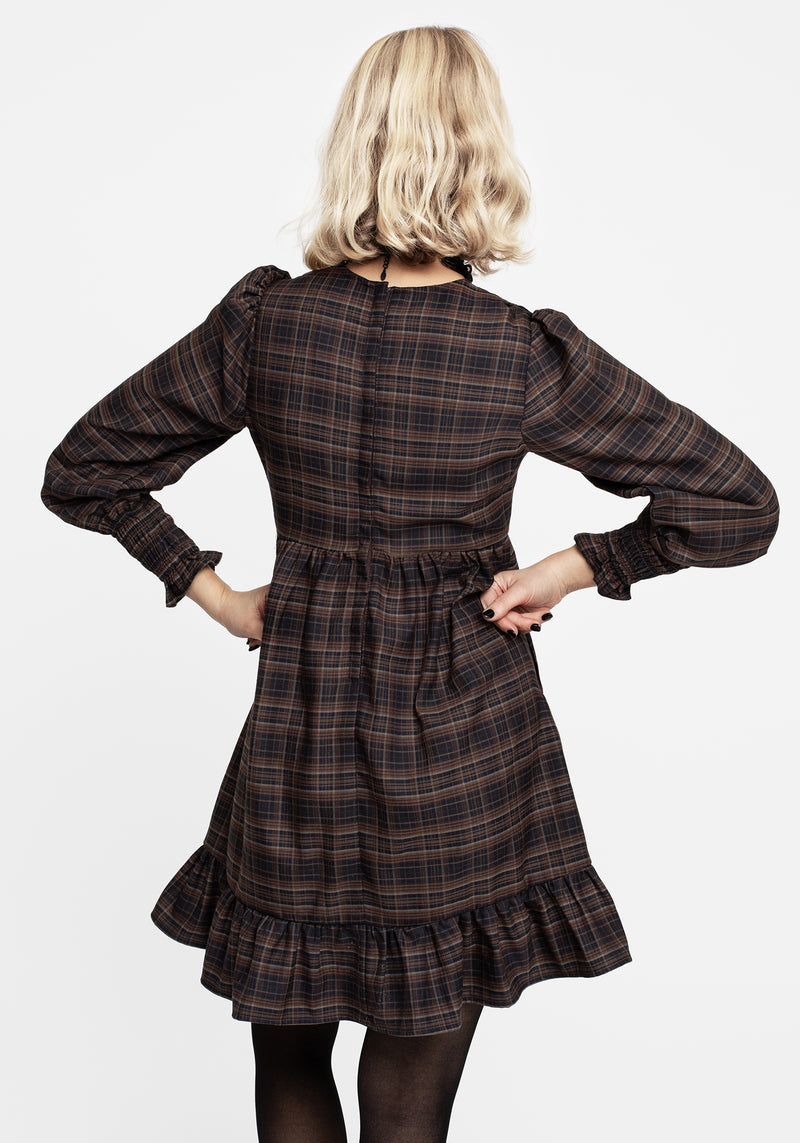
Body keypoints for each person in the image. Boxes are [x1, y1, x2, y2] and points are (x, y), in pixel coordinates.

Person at [40, 24, 779, 1143]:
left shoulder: (266, 323)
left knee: (289, 1067)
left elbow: (85, 467)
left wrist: (217, 593)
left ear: (356, 145)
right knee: (410, 1109)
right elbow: (736, 500)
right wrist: (577, 566)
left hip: (300, 734)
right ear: (482, 151)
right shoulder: (514, 351)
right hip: (465, 747)